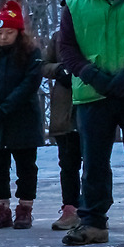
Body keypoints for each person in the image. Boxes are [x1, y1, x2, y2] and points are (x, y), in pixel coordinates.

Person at [57, 0, 124, 246]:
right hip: (92, 94)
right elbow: (67, 50)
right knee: (94, 161)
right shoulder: (74, 4)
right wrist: (93, 74)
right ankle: (93, 222)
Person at [0, 0, 43, 230]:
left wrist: (8, 105)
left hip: (23, 118)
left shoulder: (31, 54)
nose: (3, 37)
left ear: (18, 33)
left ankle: (25, 208)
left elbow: (30, 83)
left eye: (9, 32)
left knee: (25, 166)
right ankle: (0, 208)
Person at [42, 22, 81, 230]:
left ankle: (95, 209)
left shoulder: (95, 30)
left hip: (93, 105)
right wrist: (58, 70)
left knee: (97, 165)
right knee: (67, 164)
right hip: (64, 110)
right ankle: (70, 208)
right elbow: (43, 64)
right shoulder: (58, 36)